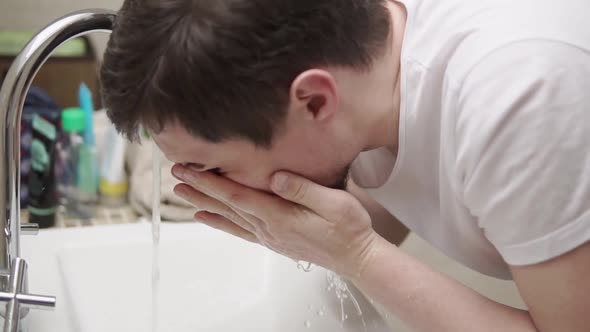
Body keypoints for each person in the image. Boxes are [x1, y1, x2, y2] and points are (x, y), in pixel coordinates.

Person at [99, 0, 590, 330]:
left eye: (217, 169)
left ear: (313, 101)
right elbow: (400, 190)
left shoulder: (517, 96)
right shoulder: (368, 61)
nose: (206, 185)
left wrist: (357, 257)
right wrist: (313, 234)